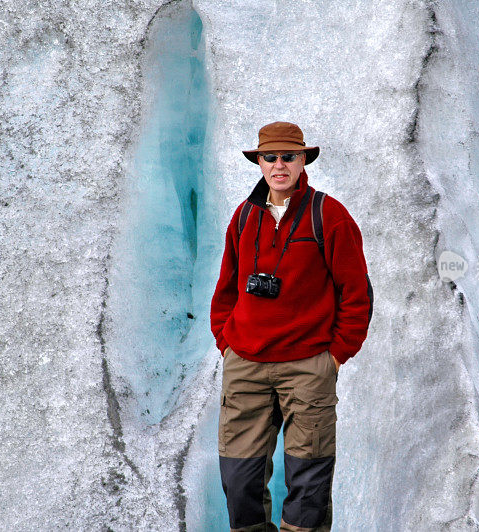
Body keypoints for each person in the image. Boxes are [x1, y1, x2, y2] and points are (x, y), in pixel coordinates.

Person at [210, 121, 373, 531]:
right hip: (246, 364)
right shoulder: (245, 216)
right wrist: (226, 341)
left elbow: (357, 293)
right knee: (239, 479)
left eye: (289, 156)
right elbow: (227, 285)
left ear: (303, 161)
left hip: (307, 366)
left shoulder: (328, 216)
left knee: (309, 482)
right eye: (270, 157)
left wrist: (335, 357)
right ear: (259, 162)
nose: (279, 165)